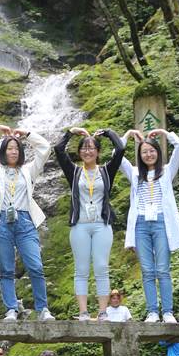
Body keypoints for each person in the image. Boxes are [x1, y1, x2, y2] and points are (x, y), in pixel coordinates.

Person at [0, 125, 54, 321]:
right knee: (7, 270)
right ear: (3, 151)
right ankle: (11, 308)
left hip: (25, 223)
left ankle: (42, 309)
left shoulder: (29, 171)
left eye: (17, 148)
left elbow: (45, 148)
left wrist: (27, 134)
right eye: (10, 148)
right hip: (0, 222)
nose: (13, 151)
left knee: (35, 266)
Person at [54, 126, 125, 321]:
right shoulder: (74, 172)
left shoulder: (106, 171)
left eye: (91, 147)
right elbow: (58, 150)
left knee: (101, 267)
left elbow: (120, 149)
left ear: (98, 152)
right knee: (81, 269)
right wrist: (71, 132)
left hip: (102, 225)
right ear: (79, 153)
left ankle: (103, 312)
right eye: (84, 148)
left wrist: (108, 132)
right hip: (80, 225)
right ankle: (83, 312)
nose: (87, 151)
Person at [120, 128, 179, 324]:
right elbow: (117, 153)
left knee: (163, 269)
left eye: (152, 151)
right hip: (140, 224)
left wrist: (164, 132)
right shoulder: (134, 173)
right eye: (144, 152)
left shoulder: (166, 171)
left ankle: (168, 312)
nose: (148, 155)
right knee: (148, 271)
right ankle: (152, 312)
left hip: (161, 223)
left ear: (158, 152)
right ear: (139, 155)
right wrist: (128, 135)